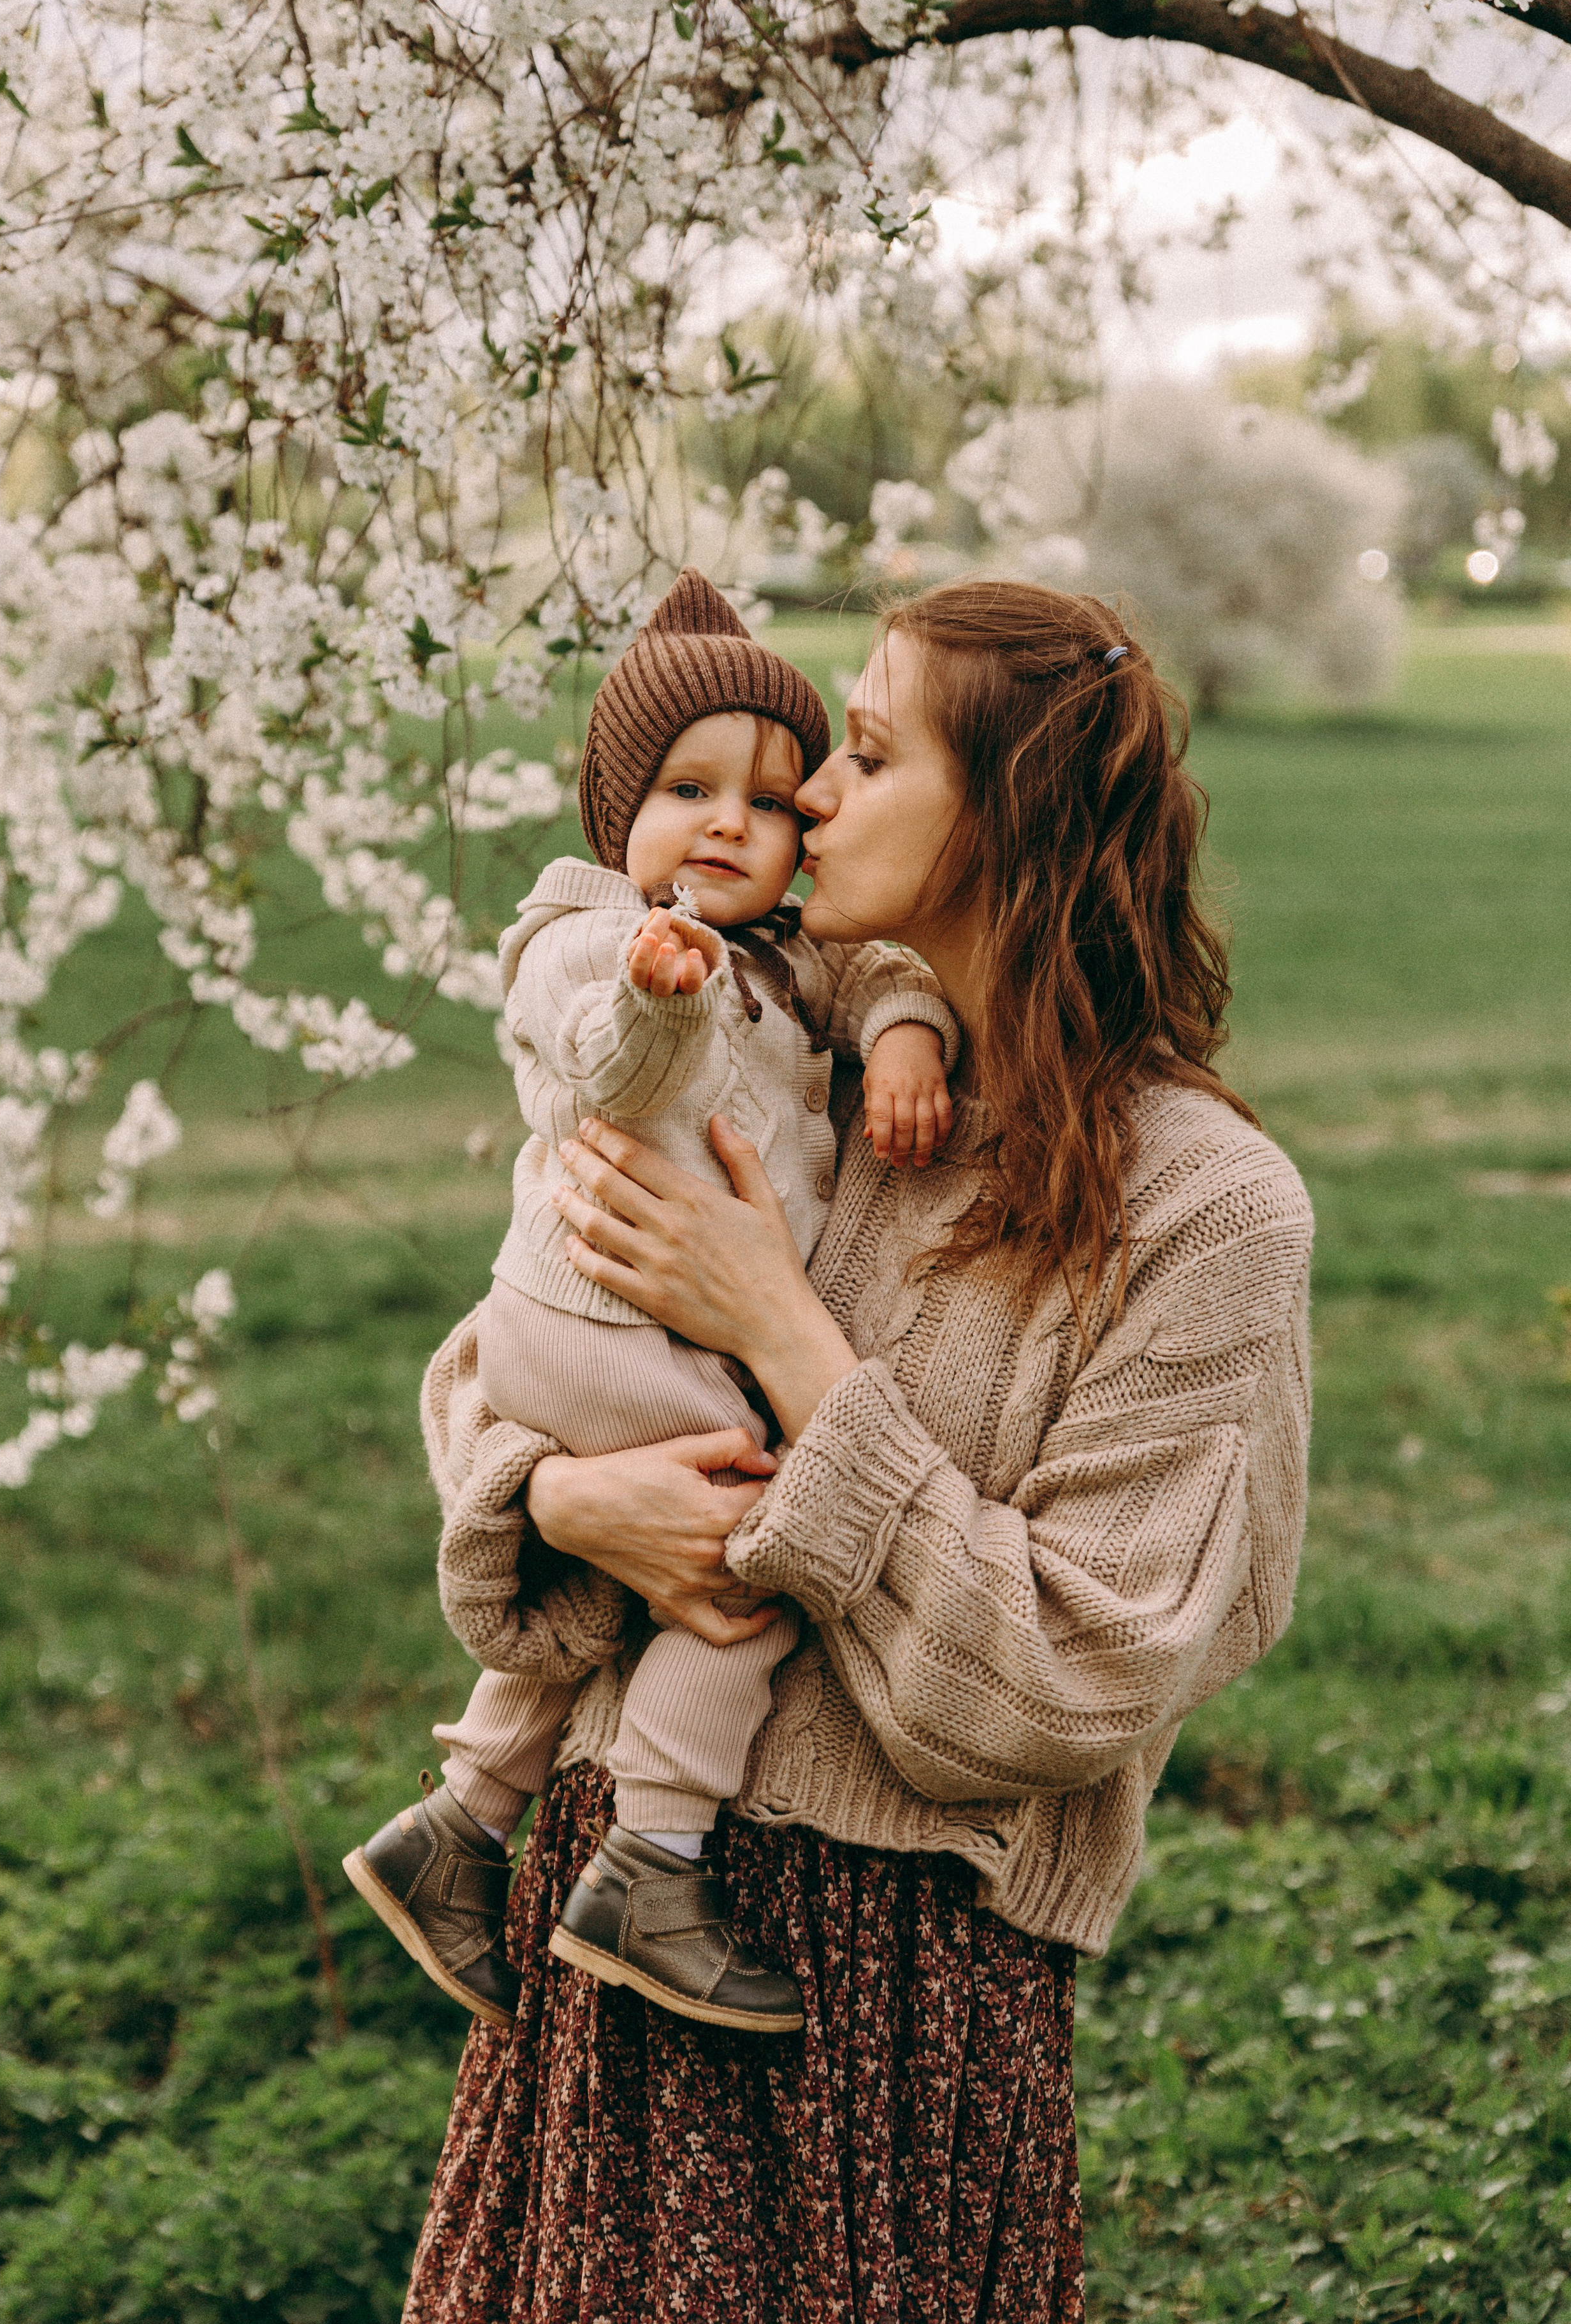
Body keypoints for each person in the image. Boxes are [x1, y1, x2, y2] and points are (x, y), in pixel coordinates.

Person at [402, 579, 1314, 2324]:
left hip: (888, 2009)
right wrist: (562, 1502)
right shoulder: (773, 1061)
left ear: (1010, 824)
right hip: (605, 1921)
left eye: (870, 756)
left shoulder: (1205, 1209)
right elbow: (500, 1355)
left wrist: (787, 1337)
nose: (805, 795)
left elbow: (1065, 1676)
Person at [344, 569, 957, 2035]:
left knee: (632, 1574)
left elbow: (881, 972)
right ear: (617, 812)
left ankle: (458, 1821)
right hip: (595, 1323)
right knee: (759, 1549)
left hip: (624, 1334)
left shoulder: (787, 958)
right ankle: (650, 1863)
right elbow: (605, 1067)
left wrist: (908, 1035)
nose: (728, 825)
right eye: (688, 791)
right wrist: (655, 994)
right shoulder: (588, 939)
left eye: (767, 800)